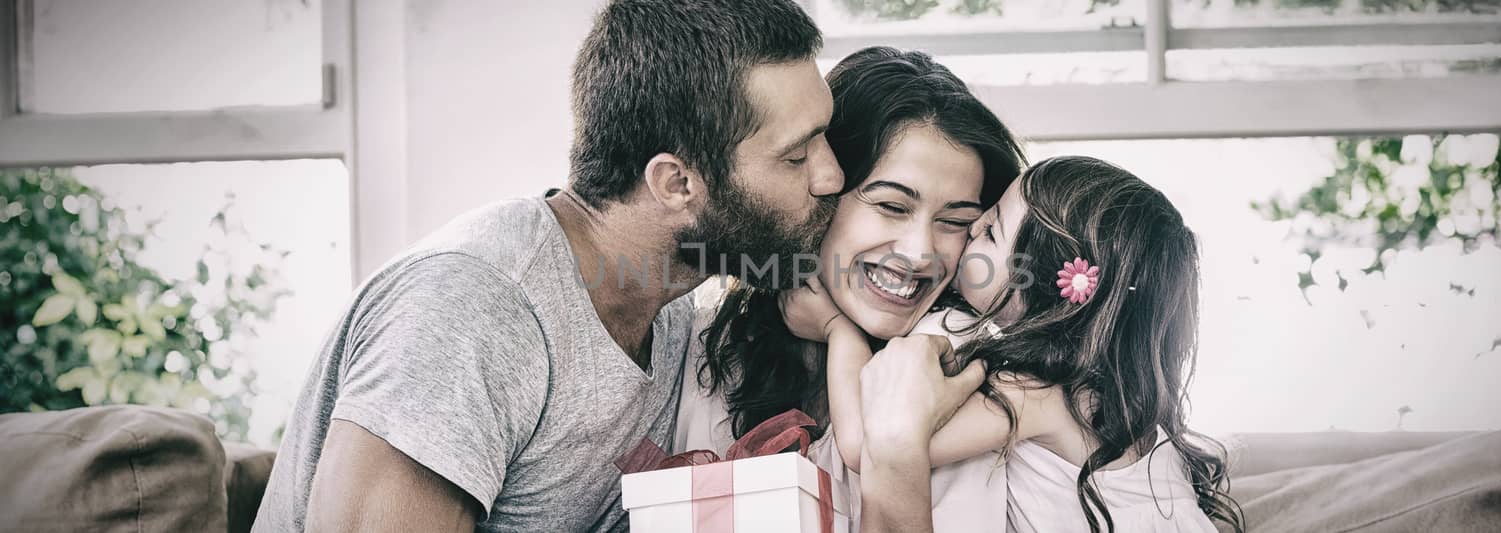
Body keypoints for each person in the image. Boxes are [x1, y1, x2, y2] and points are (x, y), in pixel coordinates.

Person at [253, 2, 976, 532]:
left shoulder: (668, 315)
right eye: (797, 155)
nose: (830, 176)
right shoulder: (472, 308)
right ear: (675, 184)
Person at [790, 156, 1248, 532]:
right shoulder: (1110, 396)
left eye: (989, 232)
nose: (972, 227)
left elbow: (868, 446)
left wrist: (837, 329)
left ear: (1043, 296)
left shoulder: (1040, 394)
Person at [677, 46, 1026, 530]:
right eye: (892, 206)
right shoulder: (716, 347)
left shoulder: (958, 364)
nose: (920, 252)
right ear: (820, 190)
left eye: (955, 221)